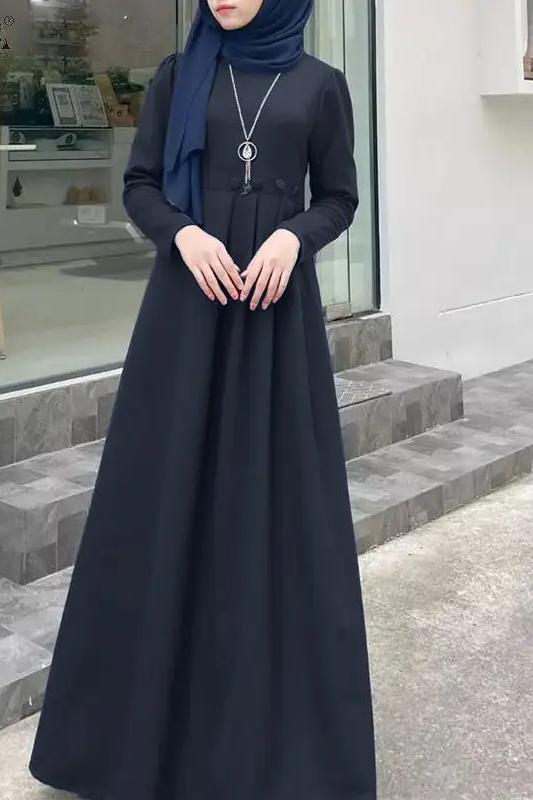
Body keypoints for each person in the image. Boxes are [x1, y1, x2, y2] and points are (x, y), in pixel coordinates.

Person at [28, 1, 377, 798]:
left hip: (273, 316)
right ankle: (130, 746)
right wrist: (182, 234)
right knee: (161, 498)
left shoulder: (320, 84)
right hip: (186, 311)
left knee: (275, 508)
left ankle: (270, 750)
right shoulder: (178, 75)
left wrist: (292, 236)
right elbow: (141, 184)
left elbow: (339, 197)